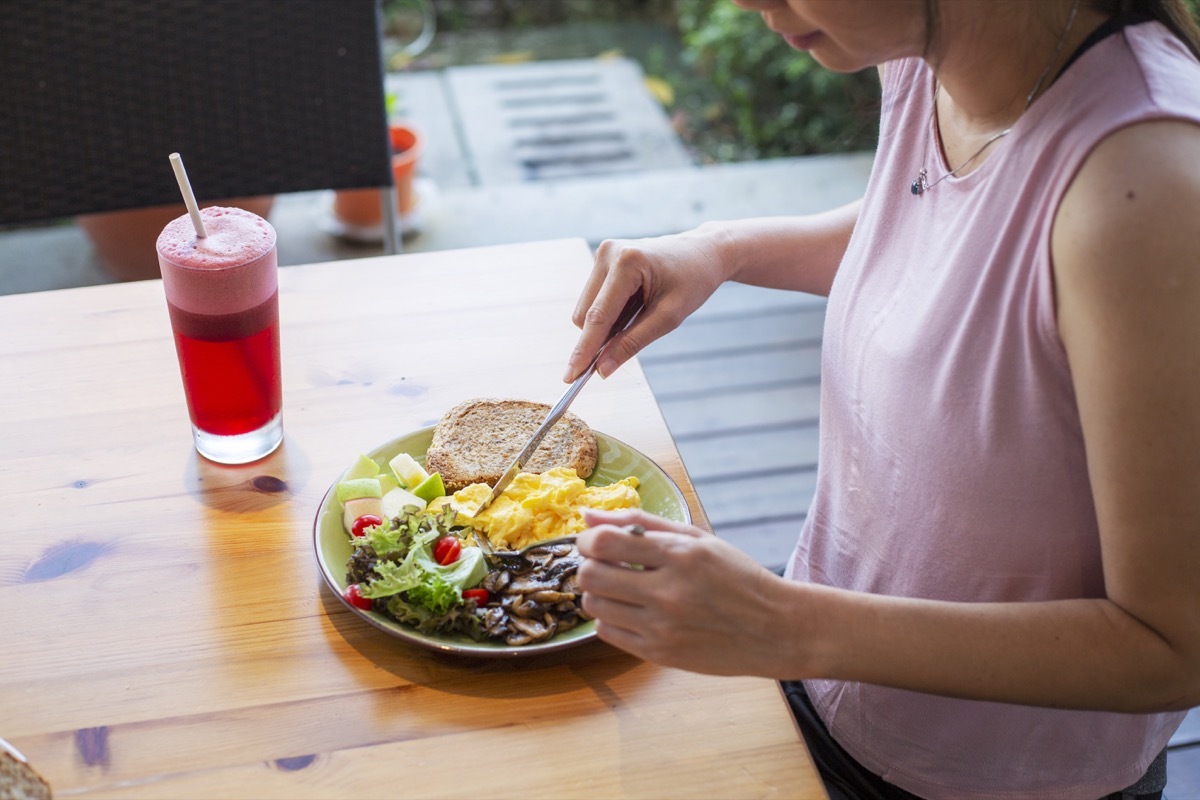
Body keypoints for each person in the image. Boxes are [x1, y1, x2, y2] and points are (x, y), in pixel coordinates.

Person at [564, 1, 1200, 798]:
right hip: (822, 682)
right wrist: (721, 248)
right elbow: (958, 235)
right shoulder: (930, 47)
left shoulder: (1149, 188)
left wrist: (784, 624)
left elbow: (1175, 645)